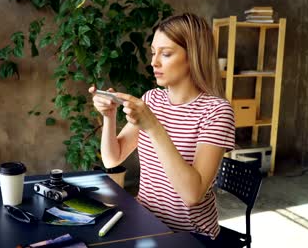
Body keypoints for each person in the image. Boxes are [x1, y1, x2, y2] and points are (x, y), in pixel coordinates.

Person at [89, 13, 235, 244]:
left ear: (193, 56)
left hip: (191, 236)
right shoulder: (152, 100)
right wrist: (109, 116)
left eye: (165, 54)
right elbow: (112, 159)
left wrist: (153, 126)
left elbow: (192, 194)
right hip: (146, 222)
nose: (154, 62)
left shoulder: (216, 111)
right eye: (153, 53)